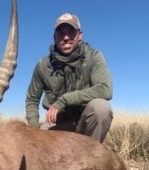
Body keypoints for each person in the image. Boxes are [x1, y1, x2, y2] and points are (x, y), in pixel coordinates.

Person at [25, 13, 113, 143]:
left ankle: (91, 156)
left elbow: (105, 89)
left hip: (85, 125)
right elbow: (32, 100)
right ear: (54, 37)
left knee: (101, 108)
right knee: (33, 142)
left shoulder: (94, 56)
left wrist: (64, 100)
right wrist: (33, 129)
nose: (66, 37)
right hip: (58, 126)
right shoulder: (43, 65)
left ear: (80, 35)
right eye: (60, 33)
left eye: (71, 32)